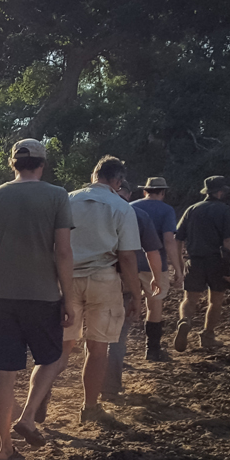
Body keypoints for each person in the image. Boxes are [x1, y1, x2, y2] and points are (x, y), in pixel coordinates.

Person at [0, 138, 73, 460]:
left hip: (0, 295)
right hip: (43, 294)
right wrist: (69, 298)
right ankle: (29, 416)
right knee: (52, 357)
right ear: (42, 164)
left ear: (12, 163)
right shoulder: (57, 196)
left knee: (4, 373)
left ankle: (4, 447)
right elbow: (63, 251)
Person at [32, 156, 145, 425]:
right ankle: (90, 407)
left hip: (66, 278)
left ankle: (37, 399)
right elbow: (127, 257)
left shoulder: (66, 199)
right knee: (97, 349)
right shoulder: (121, 206)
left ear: (94, 174)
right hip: (103, 279)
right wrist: (136, 296)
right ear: (117, 181)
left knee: (59, 349)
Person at [104, 178, 165, 400]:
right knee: (118, 335)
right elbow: (150, 252)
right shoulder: (135, 215)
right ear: (127, 194)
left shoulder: (92, 209)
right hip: (124, 278)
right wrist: (155, 279)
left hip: (94, 277)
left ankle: (92, 386)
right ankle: (110, 387)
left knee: (95, 336)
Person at [174, 175, 230, 351]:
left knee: (189, 299)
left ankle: (185, 321)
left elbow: (178, 238)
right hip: (217, 262)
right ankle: (208, 335)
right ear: (220, 192)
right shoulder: (226, 210)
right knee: (215, 300)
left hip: (194, 261)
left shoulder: (192, 209)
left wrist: (179, 262)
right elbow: (228, 242)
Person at [131, 177, 180, 361]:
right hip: (155, 265)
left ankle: (116, 350)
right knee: (154, 306)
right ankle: (152, 350)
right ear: (163, 192)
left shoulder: (130, 207)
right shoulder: (167, 210)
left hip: (130, 264)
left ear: (145, 191)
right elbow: (169, 240)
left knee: (125, 303)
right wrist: (177, 268)